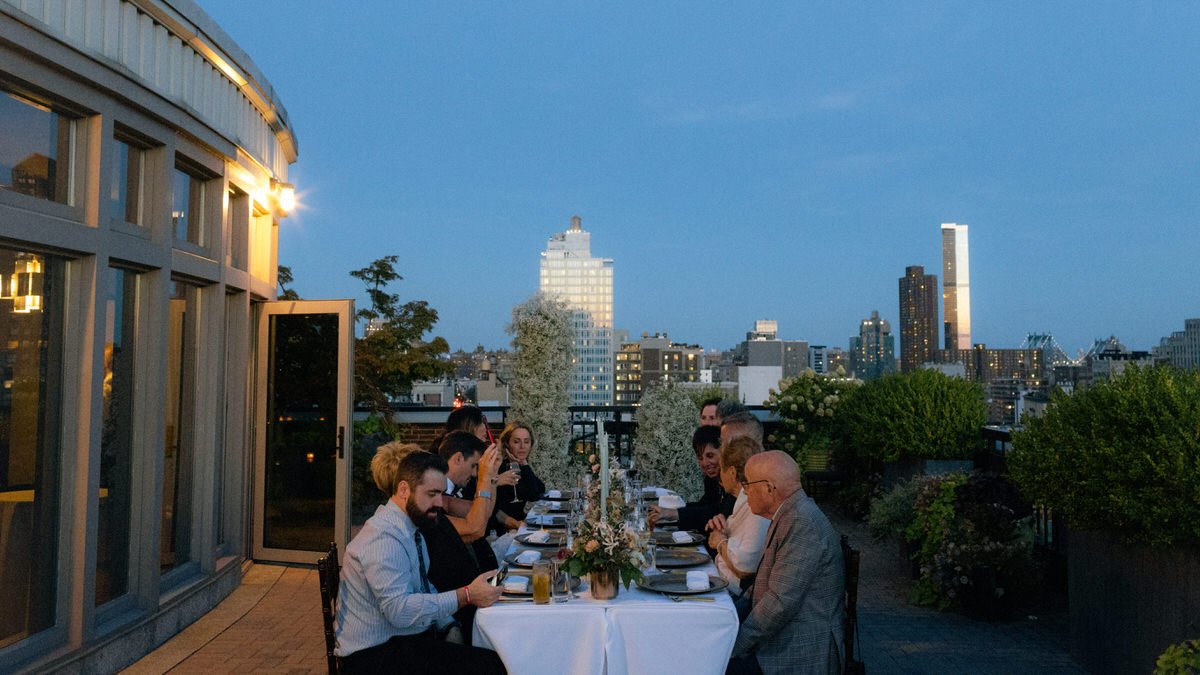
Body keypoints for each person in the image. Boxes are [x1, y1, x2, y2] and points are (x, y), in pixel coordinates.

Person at [335, 448, 506, 674]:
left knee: (487, 654)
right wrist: (466, 595)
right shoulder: (383, 539)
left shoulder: (410, 527)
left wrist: (448, 623)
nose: (439, 503)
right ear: (404, 489)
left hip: (401, 641)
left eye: (442, 494)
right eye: (431, 494)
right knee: (490, 665)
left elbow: (423, 587)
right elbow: (400, 611)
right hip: (372, 657)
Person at [727, 451, 845, 675]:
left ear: (769, 488)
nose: (745, 491)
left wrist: (734, 645)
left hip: (800, 650)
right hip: (784, 637)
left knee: (714, 666)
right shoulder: (790, 513)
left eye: (748, 484)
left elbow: (780, 603)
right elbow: (765, 586)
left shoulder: (801, 521)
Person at [423, 432, 502, 641]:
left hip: (464, 588)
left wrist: (491, 475)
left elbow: (484, 513)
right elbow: (476, 528)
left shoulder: (445, 495)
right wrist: (485, 478)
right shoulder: (434, 499)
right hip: (450, 597)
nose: (476, 473)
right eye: (475, 466)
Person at [705, 436, 770, 596]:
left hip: (734, 594)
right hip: (724, 583)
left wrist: (720, 542)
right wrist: (725, 530)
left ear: (732, 472)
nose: (720, 475)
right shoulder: (741, 499)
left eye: (722, 468)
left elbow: (746, 565)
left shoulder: (754, 502)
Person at [648, 426, 736, 532]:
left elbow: (716, 512)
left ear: (724, 453)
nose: (704, 463)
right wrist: (672, 510)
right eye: (700, 458)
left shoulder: (735, 482)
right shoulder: (711, 480)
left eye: (710, 456)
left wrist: (675, 513)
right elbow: (704, 506)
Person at [495, 422, 546, 525]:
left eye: (526, 442)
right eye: (516, 442)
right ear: (507, 444)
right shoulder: (498, 467)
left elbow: (536, 494)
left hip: (521, 525)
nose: (522, 446)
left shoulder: (523, 468)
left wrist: (524, 464)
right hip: (500, 528)